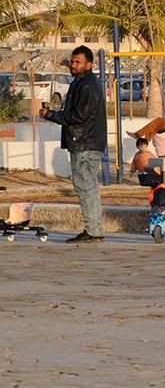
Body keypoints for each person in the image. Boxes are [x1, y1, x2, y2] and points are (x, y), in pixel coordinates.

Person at [39, 46, 106, 243]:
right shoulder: (82, 83)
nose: (73, 65)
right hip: (83, 142)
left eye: (78, 62)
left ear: (89, 64)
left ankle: (94, 230)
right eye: (72, 61)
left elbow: (79, 116)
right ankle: (93, 229)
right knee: (85, 186)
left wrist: (51, 115)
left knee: (86, 187)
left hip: (85, 143)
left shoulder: (87, 85)